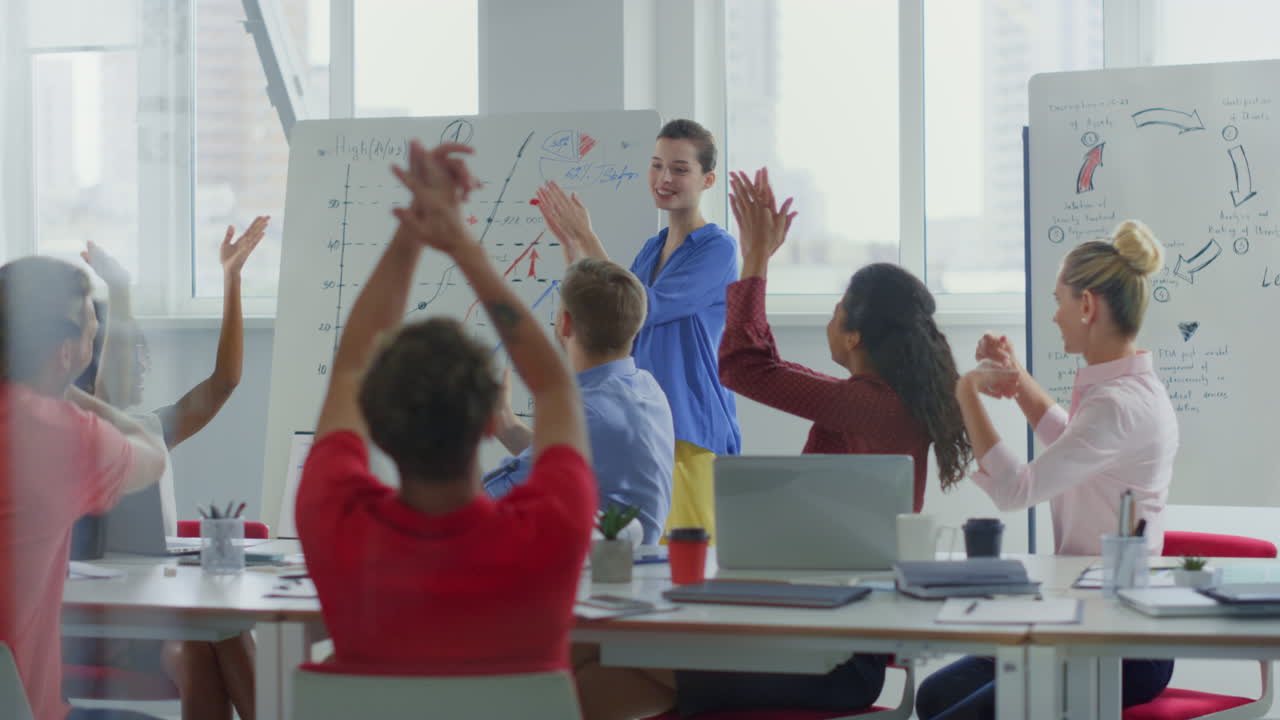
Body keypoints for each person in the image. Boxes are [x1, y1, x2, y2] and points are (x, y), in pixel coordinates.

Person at [571, 169, 973, 720]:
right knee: (587, 662)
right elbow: (764, 367)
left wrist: (756, 255)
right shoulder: (879, 401)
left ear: (855, 335)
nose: (830, 319)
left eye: (836, 311)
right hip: (811, 632)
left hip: (833, 659)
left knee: (591, 658)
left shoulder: (871, 406)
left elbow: (742, 366)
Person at [296, 140, 595, 672]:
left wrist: (414, 230)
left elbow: (348, 366)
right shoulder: (552, 530)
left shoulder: (334, 522)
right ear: (489, 424)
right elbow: (555, 388)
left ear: (378, 430)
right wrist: (462, 246)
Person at [917, 220, 1178, 719]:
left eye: (1059, 300)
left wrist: (966, 391)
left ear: (1087, 306)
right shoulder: (1123, 393)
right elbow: (1071, 445)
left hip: (1121, 647)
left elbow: (1018, 490)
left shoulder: (1117, 405)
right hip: (1086, 620)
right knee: (935, 697)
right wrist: (1017, 382)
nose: (1054, 315)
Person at [64, 219, 267, 720]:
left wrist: (232, 280)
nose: (139, 369)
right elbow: (107, 397)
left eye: (142, 359)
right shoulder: (84, 428)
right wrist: (121, 288)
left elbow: (225, 382)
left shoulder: (152, 428)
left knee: (217, 636)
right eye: (127, 357)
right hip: (110, 620)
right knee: (206, 642)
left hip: (163, 607)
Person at [534, 118, 739, 540]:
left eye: (680, 169)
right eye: (657, 165)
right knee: (638, 561)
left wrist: (588, 237)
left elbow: (639, 306)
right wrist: (572, 245)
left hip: (691, 425)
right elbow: (610, 314)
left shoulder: (718, 248)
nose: (665, 178)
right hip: (647, 422)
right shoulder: (653, 247)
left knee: (685, 568)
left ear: (707, 179)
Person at [0, 256, 168, 720]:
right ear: (64, 353)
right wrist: (67, 392)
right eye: (91, 333)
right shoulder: (54, 431)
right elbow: (153, 454)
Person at [484, 257, 674, 544]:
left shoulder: (584, 413)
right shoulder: (647, 388)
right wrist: (508, 426)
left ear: (565, 323)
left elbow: (487, 499)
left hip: (593, 573)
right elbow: (576, 462)